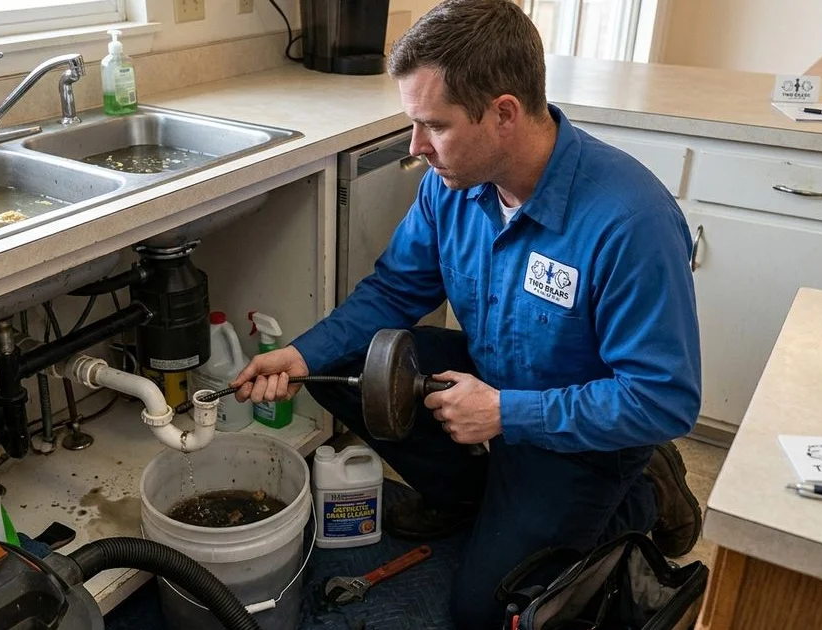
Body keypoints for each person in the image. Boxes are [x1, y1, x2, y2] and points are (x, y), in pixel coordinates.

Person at [230, 0, 703, 626]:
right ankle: (467, 495)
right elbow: (394, 291)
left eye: (435, 125)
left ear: (504, 113)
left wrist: (506, 413)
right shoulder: (452, 183)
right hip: (489, 387)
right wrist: (300, 355)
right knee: (347, 358)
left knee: (487, 613)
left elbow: (664, 400)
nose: (416, 146)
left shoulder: (629, 221)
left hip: (581, 441)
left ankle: (639, 498)